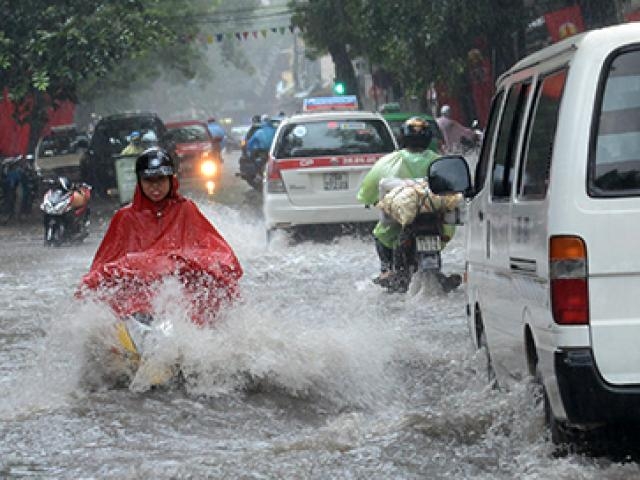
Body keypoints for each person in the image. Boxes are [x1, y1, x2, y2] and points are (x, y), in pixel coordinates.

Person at [79, 148, 242, 325]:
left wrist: (179, 262)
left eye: (161, 179)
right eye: (149, 180)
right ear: (140, 182)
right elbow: (103, 264)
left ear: (171, 180)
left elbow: (215, 251)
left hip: (178, 291)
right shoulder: (125, 217)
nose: (155, 186)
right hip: (137, 297)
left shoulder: (186, 209)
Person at [357, 117, 456, 291]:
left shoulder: (387, 162)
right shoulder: (440, 162)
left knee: (380, 233)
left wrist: (370, 200)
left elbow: (368, 191)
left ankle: (387, 270)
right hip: (436, 222)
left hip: (398, 226)